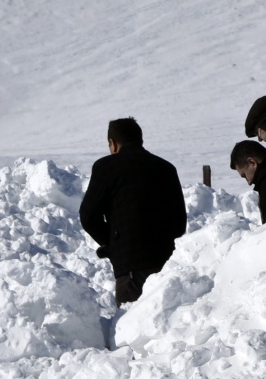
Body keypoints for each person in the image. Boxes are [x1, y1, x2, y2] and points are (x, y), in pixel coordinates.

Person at [80, 117, 187, 306]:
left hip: (130, 267)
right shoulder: (166, 169)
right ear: (140, 140)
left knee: (132, 327)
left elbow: (88, 216)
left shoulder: (106, 167)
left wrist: (112, 242)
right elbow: (179, 225)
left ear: (113, 144)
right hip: (167, 266)